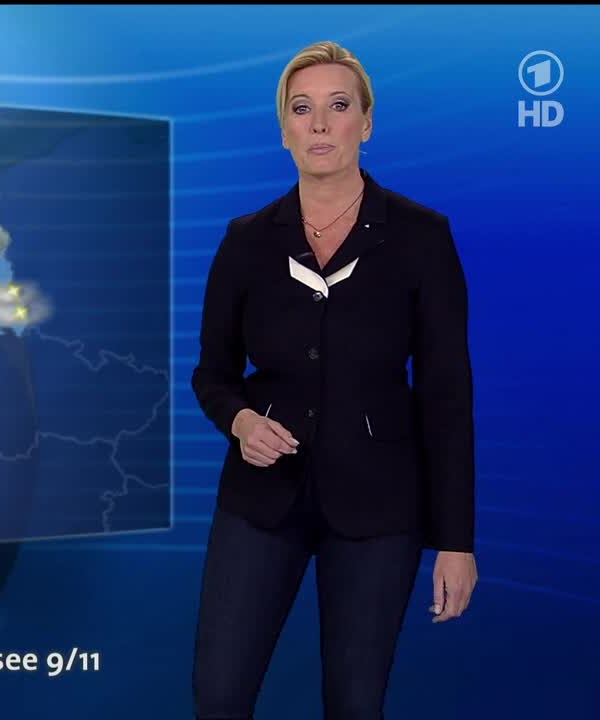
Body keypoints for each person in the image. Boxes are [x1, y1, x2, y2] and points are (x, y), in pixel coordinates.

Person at [190, 41, 479, 720]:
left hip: (380, 506)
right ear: (284, 130)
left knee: (354, 703)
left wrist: (456, 542)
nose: (320, 124)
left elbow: (447, 396)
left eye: (338, 106)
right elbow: (213, 373)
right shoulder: (246, 241)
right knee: (219, 696)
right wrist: (241, 421)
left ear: (366, 123)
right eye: (302, 109)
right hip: (262, 498)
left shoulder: (421, 237)